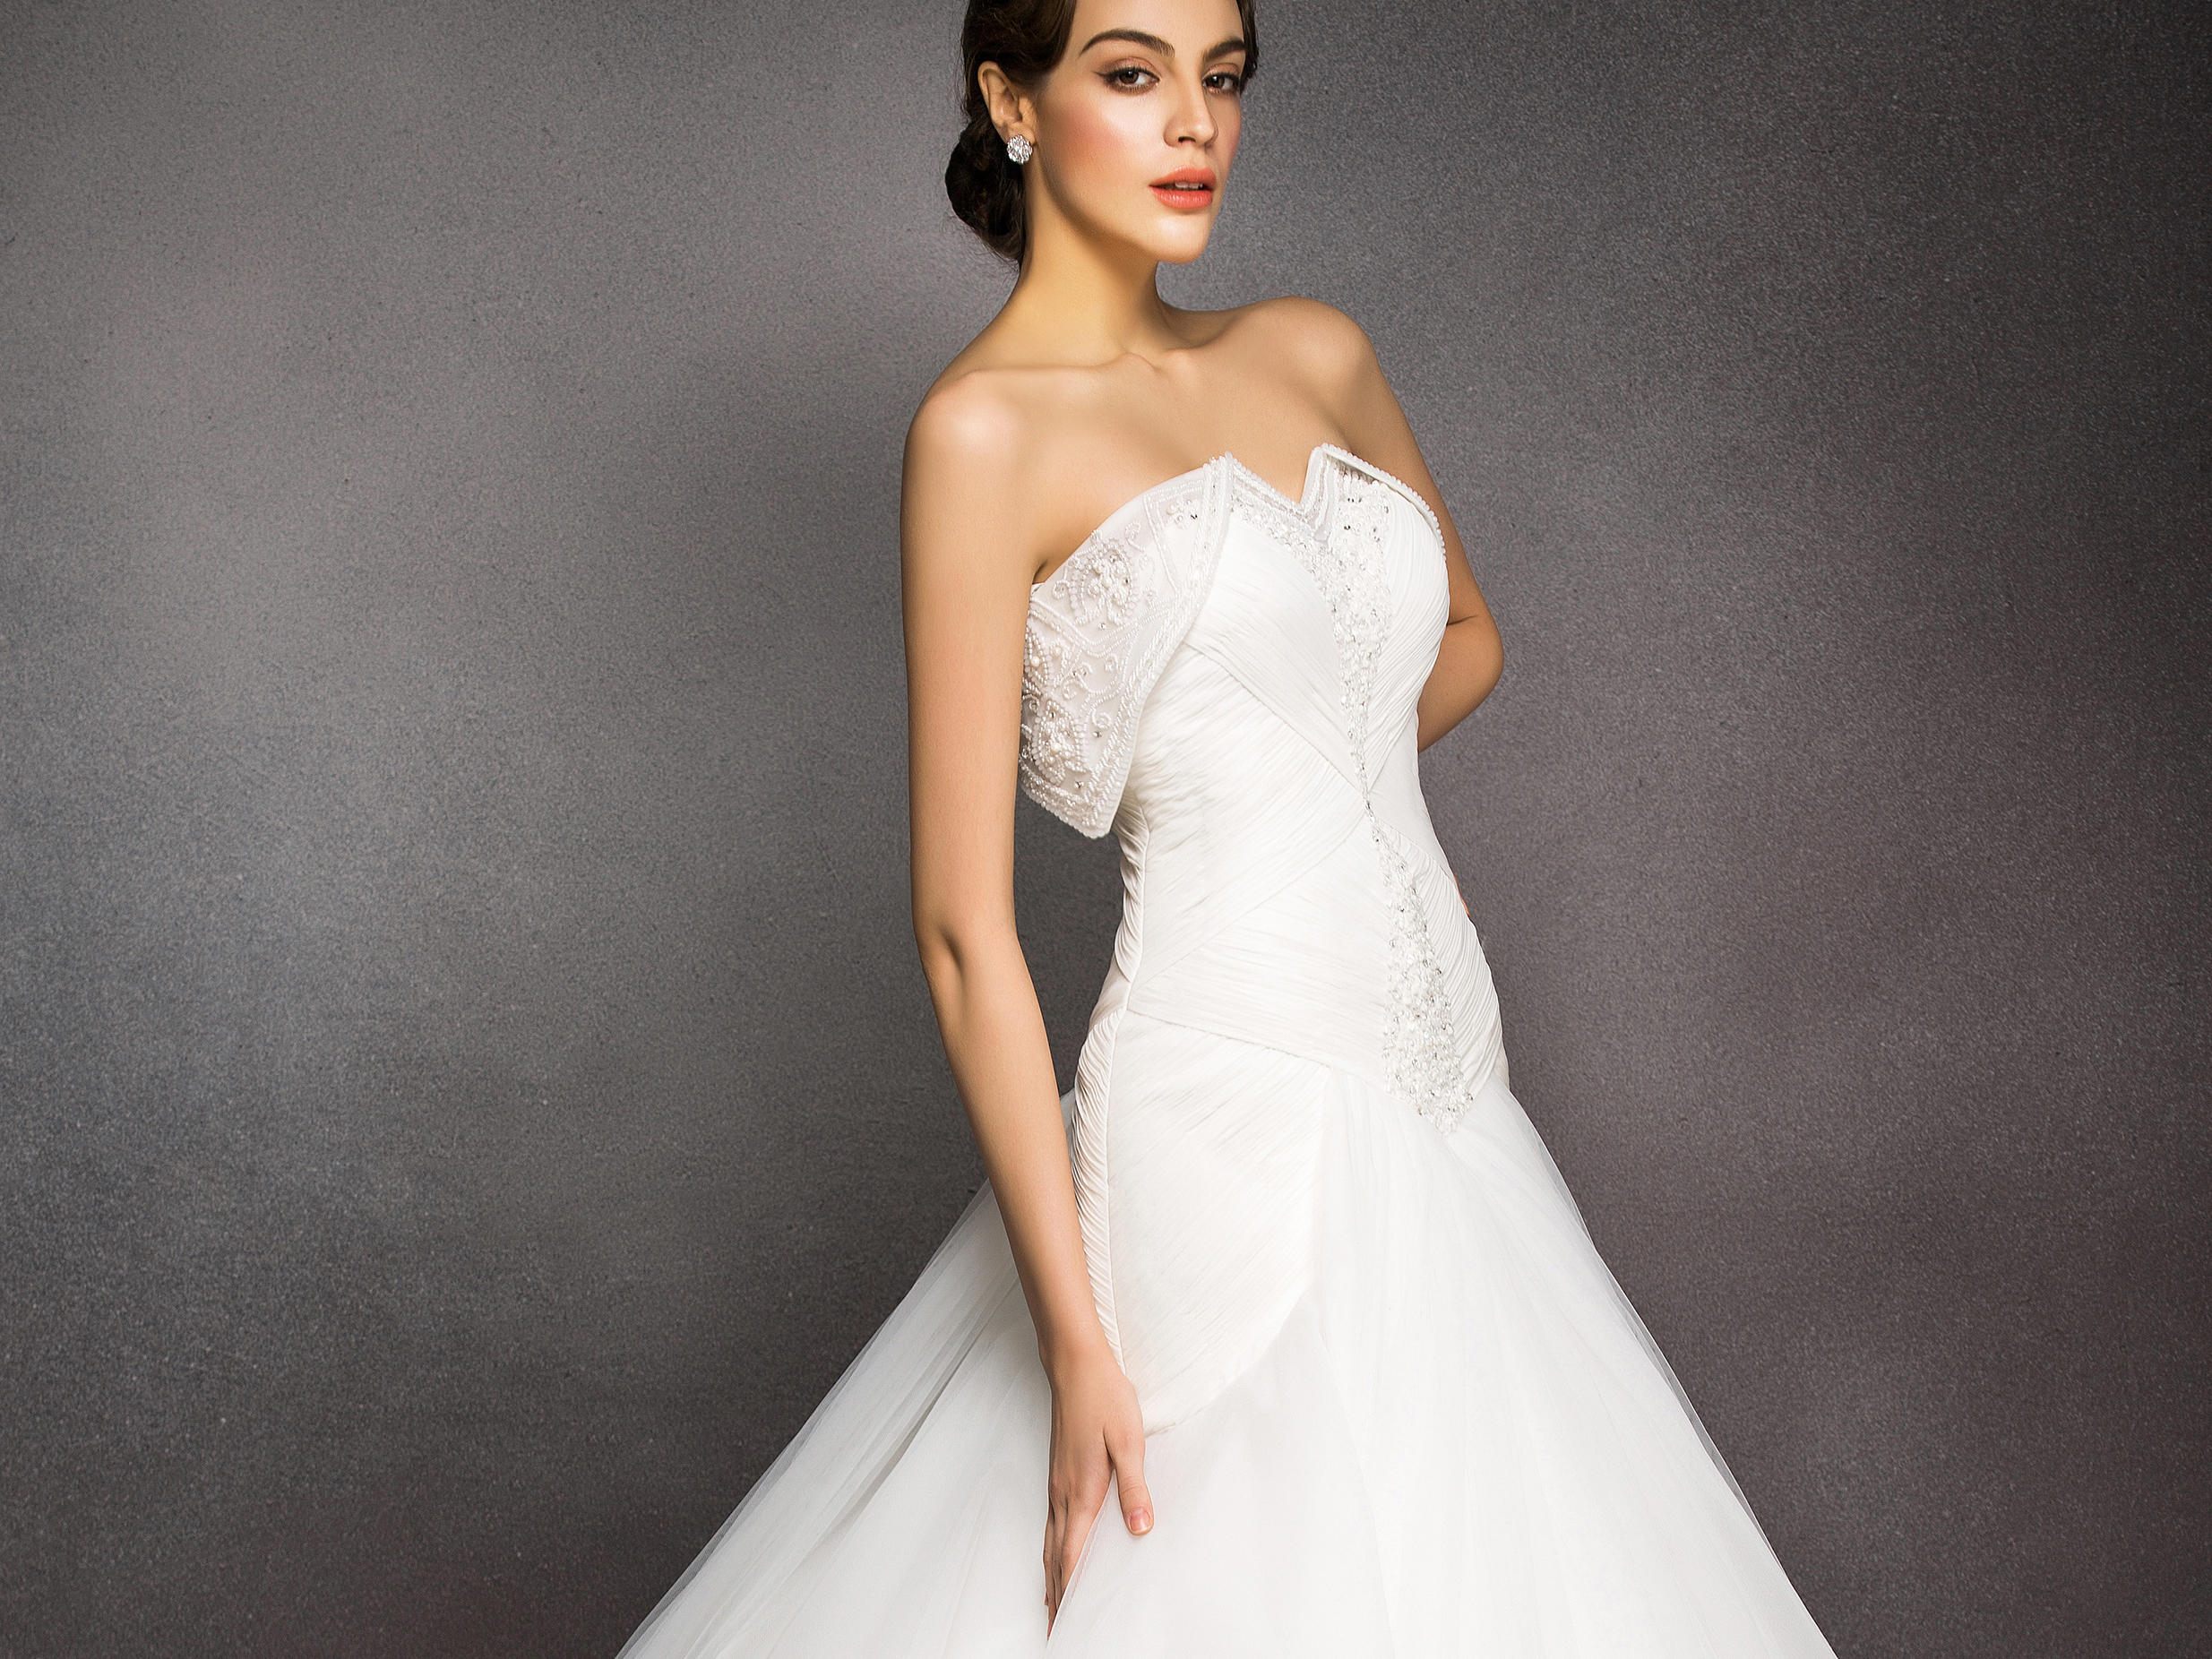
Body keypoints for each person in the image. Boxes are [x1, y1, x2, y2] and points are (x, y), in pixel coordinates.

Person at [617, 2, 1841, 1652]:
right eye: (1132, 74)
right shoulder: (983, 434)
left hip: (1449, 1080)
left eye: (1224, 77)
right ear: (1011, 100)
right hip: (1217, 1104)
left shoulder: (1312, 352)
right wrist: (1075, 1344)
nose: (1195, 122)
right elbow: (963, 931)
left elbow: (1465, 638)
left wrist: (1295, 794)